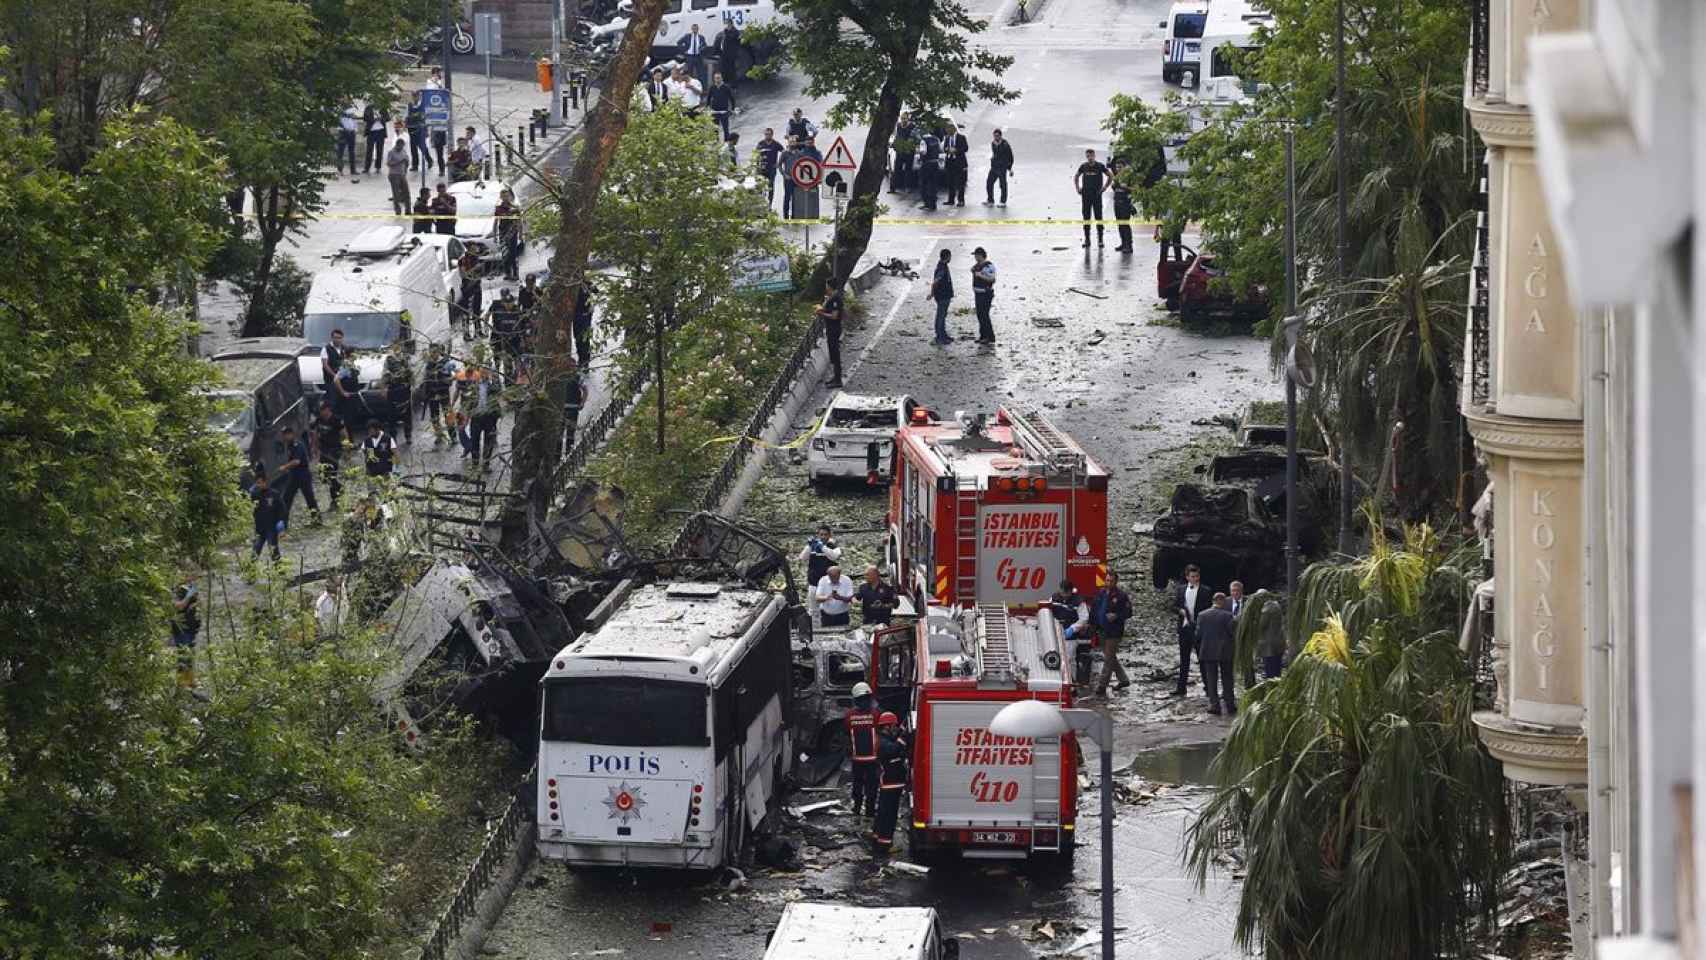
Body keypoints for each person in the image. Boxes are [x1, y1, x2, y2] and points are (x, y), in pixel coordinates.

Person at [1172, 564, 1213, 696]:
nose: (1194, 579)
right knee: (1184, 660)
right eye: (1192, 576)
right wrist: (1180, 611)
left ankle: (1208, 688)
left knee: (1203, 659)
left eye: (1196, 576)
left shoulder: (1206, 591)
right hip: (1184, 628)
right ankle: (1181, 688)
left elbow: (1209, 610)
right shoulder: (1180, 589)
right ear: (1187, 577)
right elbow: (1173, 606)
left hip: (1199, 629)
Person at [1090, 570, 1133, 696]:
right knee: (1111, 657)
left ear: (1116, 581)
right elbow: (1094, 610)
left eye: (1111, 581)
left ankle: (1102, 685)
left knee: (1108, 659)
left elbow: (1129, 612)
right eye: (1107, 580)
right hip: (1101, 630)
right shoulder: (1100, 593)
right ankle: (1124, 679)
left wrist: (1117, 615)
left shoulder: (1121, 596)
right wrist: (1092, 625)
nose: (1108, 583)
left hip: (1114, 632)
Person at [871, 712, 908, 854]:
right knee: (889, 814)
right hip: (890, 782)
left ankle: (877, 837)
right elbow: (894, 749)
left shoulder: (884, 738)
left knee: (882, 812)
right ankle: (885, 845)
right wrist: (903, 738)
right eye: (894, 725)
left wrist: (900, 732)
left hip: (890, 782)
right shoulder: (884, 743)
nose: (895, 728)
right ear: (887, 726)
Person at [1196, 593, 1238, 715]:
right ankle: (1230, 705)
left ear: (1213, 601)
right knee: (1227, 678)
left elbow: (1198, 634)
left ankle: (1214, 705)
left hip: (1208, 650)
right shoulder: (1228, 615)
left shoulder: (1202, 615)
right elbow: (1232, 633)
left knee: (1211, 678)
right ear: (1223, 602)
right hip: (1225, 651)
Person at [845, 682, 879, 817]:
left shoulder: (849, 716)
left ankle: (857, 809)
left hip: (857, 758)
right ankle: (870, 812)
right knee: (871, 786)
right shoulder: (876, 715)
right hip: (873, 759)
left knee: (858, 785)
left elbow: (846, 734)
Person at [276, 425, 321, 526]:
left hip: (303, 475)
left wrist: (285, 467)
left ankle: (317, 520)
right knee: (286, 498)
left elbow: (296, 461)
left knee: (309, 498)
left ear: (291, 434)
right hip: (294, 475)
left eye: (286, 435)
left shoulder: (298, 445)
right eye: (283, 435)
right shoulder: (290, 445)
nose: (284, 437)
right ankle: (283, 522)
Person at [798, 525, 841, 621]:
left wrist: (822, 547)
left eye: (825, 535)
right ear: (817, 535)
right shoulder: (813, 545)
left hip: (828, 584)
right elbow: (802, 557)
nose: (823, 537)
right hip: (814, 582)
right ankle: (815, 629)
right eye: (821, 535)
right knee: (813, 610)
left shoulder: (833, 546)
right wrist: (809, 546)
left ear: (829, 535)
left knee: (829, 609)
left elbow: (834, 556)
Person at [311, 400, 345, 510]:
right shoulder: (319, 420)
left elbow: (343, 434)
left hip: (334, 450)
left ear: (328, 409)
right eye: (320, 410)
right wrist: (315, 448)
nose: (321, 412)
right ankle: (340, 488)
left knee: (331, 474)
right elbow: (315, 433)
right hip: (324, 450)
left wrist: (346, 448)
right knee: (323, 475)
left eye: (322, 410)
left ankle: (335, 500)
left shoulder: (336, 420)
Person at [1074, 148, 1111, 248]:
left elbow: (1110, 175)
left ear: (1094, 156)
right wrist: (1078, 188)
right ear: (1086, 157)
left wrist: (1105, 187)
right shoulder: (1083, 166)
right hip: (1086, 195)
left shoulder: (1100, 166)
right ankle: (1087, 239)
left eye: (1091, 156)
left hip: (1097, 195)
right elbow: (1076, 176)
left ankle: (1100, 239)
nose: (1090, 158)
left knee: (1098, 217)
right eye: (1088, 156)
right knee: (1086, 217)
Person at [421, 343, 456, 446]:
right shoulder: (429, 364)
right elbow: (425, 378)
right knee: (434, 417)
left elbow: (453, 376)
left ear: (438, 352)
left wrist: (445, 380)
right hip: (432, 394)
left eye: (434, 352)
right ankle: (439, 435)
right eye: (431, 352)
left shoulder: (445, 362)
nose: (433, 354)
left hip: (443, 393)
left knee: (448, 415)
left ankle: (453, 436)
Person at [381, 341, 414, 443]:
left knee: (407, 414)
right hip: (393, 389)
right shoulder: (389, 359)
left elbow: (410, 372)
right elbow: (384, 373)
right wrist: (384, 388)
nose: (397, 348)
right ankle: (393, 437)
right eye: (395, 346)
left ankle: (408, 435)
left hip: (404, 389)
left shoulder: (405, 358)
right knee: (392, 415)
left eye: (398, 346)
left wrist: (411, 382)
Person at [169, 578, 200, 687]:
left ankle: (190, 681)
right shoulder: (174, 592)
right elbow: (179, 606)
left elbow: (196, 604)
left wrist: (194, 596)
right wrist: (188, 597)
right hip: (181, 629)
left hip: (191, 628)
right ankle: (181, 683)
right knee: (183, 655)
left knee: (190, 655)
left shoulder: (189, 588)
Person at [816, 279, 846, 389]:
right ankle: (835, 377)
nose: (825, 288)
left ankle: (838, 379)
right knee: (833, 354)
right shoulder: (831, 297)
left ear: (830, 287)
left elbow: (834, 316)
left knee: (835, 354)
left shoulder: (836, 299)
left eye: (827, 286)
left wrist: (821, 313)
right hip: (831, 329)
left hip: (834, 329)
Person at [489, 287, 523, 378]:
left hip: (514, 340)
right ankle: (502, 377)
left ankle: (516, 376)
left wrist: (519, 337)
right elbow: (496, 325)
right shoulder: (498, 309)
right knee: (502, 359)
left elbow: (522, 325)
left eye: (510, 303)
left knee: (516, 359)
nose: (508, 305)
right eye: (506, 303)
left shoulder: (517, 311)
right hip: (502, 339)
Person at [249, 472, 283, 561]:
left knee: (273, 549)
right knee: (256, 549)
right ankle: (250, 570)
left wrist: (280, 522)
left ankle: (279, 570)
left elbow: (282, 509)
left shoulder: (274, 494)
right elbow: (252, 508)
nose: (259, 485)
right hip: (259, 528)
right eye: (257, 483)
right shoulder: (255, 495)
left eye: (260, 483)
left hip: (271, 527)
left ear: (265, 482)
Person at [1256, 592, 1286, 680]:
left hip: (1269, 644)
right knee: (1277, 669)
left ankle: (1271, 690)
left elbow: (1261, 625)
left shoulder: (1266, 608)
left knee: (1270, 670)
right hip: (1279, 641)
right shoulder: (1276, 605)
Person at [970, 247, 997, 344]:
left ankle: (989, 337)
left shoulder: (988, 266)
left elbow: (992, 279)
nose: (975, 257)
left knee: (984, 315)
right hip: (978, 293)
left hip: (985, 294)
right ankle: (983, 336)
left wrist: (980, 275)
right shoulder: (978, 265)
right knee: (980, 315)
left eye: (976, 255)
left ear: (980, 255)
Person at [495, 188, 522, 281]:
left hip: (513, 233)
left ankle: (515, 273)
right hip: (502, 233)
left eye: (507, 196)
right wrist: (495, 235)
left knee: (513, 254)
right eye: (504, 196)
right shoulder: (498, 208)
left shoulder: (515, 208)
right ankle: (508, 273)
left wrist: (521, 234)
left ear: (510, 196)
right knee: (505, 254)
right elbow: (496, 222)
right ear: (501, 197)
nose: (506, 198)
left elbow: (519, 221)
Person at [562, 358, 588, 453]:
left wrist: (582, 403)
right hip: (561, 408)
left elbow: (585, 390)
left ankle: (569, 453)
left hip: (573, 408)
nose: (570, 368)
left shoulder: (578, 377)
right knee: (559, 433)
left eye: (572, 366)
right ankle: (557, 456)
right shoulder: (560, 377)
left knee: (570, 432)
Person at [929, 248, 954, 345]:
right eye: (950, 256)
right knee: (941, 316)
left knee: (942, 315)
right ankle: (940, 336)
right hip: (943, 296)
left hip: (944, 295)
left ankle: (943, 334)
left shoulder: (943, 266)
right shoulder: (941, 269)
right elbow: (935, 282)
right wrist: (931, 294)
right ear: (947, 257)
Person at [458, 250, 485, 336]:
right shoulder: (463, 260)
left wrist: (479, 269)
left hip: (476, 287)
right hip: (467, 288)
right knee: (466, 313)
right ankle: (466, 334)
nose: (476, 250)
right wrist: (475, 269)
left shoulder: (477, 258)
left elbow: (481, 273)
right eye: (473, 248)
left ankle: (478, 331)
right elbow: (463, 275)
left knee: (477, 311)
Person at [941, 122, 970, 206]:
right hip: (950, 162)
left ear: (953, 129)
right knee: (950, 182)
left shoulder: (961, 137)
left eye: (948, 130)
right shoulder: (947, 138)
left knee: (960, 183)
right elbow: (944, 148)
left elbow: (965, 148)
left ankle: (961, 200)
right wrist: (947, 150)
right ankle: (951, 200)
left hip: (960, 163)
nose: (947, 132)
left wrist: (956, 150)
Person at [985, 128, 1014, 205]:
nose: (995, 138)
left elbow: (1010, 157)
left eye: (997, 136)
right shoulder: (993, 143)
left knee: (1003, 184)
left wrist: (1010, 168)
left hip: (1002, 167)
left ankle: (1003, 201)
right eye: (994, 136)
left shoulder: (1005, 145)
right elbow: (995, 154)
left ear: (1000, 136)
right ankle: (990, 200)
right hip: (994, 167)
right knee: (989, 183)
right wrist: (993, 158)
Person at [1111, 165, 1137, 252]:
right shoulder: (1117, 177)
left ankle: (1129, 245)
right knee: (1120, 224)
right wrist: (1115, 184)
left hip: (1125, 203)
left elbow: (1135, 189)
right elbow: (1114, 188)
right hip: (1117, 202)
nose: (1118, 169)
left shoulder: (1130, 177)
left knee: (1125, 225)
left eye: (1120, 167)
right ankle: (1123, 243)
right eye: (1117, 167)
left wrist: (1124, 187)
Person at [754, 128, 783, 203]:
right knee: (760, 186)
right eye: (766, 134)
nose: (767, 136)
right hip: (762, 168)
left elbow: (784, 152)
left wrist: (779, 163)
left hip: (772, 168)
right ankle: (760, 202)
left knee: (770, 186)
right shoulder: (761, 143)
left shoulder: (776, 144)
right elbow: (756, 154)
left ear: (772, 135)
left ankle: (770, 202)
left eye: (769, 134)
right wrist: (757, 166)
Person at [917, 127, 942, 210]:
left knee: (924, 184)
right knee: (933, 184)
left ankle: (927, 203)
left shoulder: (923, 140)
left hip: (926, 164)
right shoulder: (936, 139)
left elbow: (923, 152)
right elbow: (940, 149)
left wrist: (919, 151)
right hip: (935, 163)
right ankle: (933, 203)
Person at [405, 95, 432, 172]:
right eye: (414, 97)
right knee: (413, 147)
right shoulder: (410, 105)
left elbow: (425, 117)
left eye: (416, 97)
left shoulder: (422, 105)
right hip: (411, 127)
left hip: (420, 128)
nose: (415, 98)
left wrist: (426, 129)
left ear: (419, 97)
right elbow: (407, 116)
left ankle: (429, 160)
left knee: (422, 146)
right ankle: (415, 165)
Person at [890, 113, 916, 192]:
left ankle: (908, 187)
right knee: (897, 170)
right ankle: (893, 188)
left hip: (909, 152)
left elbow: (913, 138)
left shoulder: (912, 126)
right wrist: (894, 144)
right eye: (902, 119)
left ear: (908, 119)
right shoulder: (898, 125)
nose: (903, 120)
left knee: (908, 170)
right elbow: (898, 136)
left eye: (905, 119)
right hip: (900, 151)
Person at [386, 138, 412, 216]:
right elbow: (389, 163)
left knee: (406, 193)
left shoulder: (403, 151)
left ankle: (408, 210)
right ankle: (398, 210)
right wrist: (399, 161)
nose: (401, 148)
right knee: (396, 194)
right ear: (397, 145)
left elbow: (406, 161)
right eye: (400, 146)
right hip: (394, 175)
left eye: (402, 146)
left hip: (402, 174)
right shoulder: (391, 152)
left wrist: (406, 167)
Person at [706, 72, 736, 140]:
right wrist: (707, 108)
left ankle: (726, 142)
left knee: (726, 129)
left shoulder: (726, 87)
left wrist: (733, 109)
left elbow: (732, 98)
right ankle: (716, 143)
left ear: (721, 78)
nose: (717, 80)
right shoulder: (712, 87)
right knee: (715, 129)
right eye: (716, 78)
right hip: (714, 111)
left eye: (719, 78)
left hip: (724, 111)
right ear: (714, 79)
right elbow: (708, 98)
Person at [572, 282, 594, 367]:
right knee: (578, 339)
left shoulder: (586, 284)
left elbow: (597, 291)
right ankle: (581, 360)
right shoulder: (572, 286)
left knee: (585, 340)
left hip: (585, 316)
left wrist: (589, 286)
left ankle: (585, 362)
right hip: (576, 316)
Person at [714, 21, 742, 86]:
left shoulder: (735, 32)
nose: (727, 26)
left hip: (731, 54)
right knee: (723, 69)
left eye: (728, 24)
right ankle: (725, 83)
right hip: (723, 53)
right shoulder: (724, 32)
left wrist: (727, 32)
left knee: (731, 70)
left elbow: (733, 38)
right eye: (726, 24)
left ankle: (733, 84)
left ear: (731, 24)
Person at [363, 103, 387, 174]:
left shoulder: (383, 107)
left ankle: (378, 167)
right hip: (371, 132)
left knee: (379, 150)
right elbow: (365, 118)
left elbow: (388, 118)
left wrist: (381, 119)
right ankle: (367, 168)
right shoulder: (368, 108)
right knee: (369, 150)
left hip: (381, 132)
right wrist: (374, 119)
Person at [336, 105, 359, 177]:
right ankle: (339, 170)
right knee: (340, 152)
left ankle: (353, 170)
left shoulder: (352, 109)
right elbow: (338, 121)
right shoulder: (339, 110)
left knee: (352, 152)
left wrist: (355, 129)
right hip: (343, 132)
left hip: (352, 132)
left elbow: (354, 120)